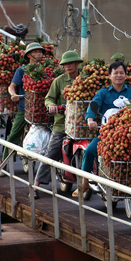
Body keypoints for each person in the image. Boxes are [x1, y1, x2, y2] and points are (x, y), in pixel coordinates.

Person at [75, 60, 131, 197]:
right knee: (89, 151)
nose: (119, 75)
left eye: (121, 73)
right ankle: (84, 183)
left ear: (126, 75)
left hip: (129, 134)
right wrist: (90, 120)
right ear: (109, 76)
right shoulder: (103, 93)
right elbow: (93, 107)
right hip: (108, 134)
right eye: (116, 73)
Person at [33, 50, 83, 198]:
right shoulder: (59, 81)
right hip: (63, 124)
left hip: (82, 124)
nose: (68, 67)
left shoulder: (85, 79)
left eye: (71, 63)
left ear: (77, 64)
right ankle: (36, 185)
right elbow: (49, 98)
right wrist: (51, 106)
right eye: (65, 64)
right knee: (52, 152)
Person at [3, 43, 46, 161]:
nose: (39, 54)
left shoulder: (46, 70)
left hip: (42, 108)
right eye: (36, 52)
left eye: (40, 52)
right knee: (13, 134)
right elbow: (12, 86)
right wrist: (14, 94)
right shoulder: (22, 70)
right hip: (25, 107)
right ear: (29, 55)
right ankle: (5, 161)